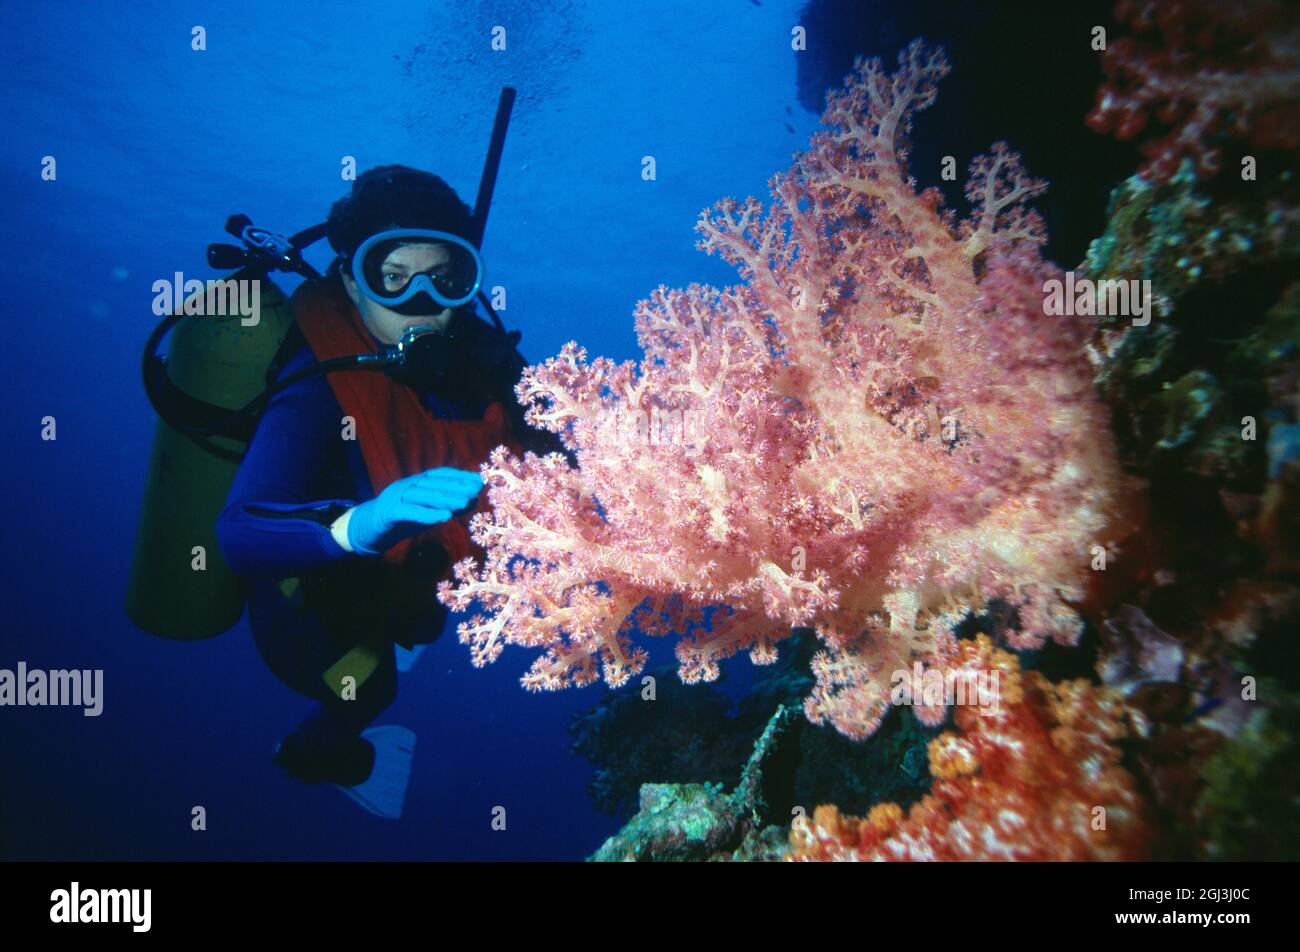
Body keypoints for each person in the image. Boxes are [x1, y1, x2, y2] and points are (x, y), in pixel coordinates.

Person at [216, 165, 556, 818]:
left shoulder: (488, 364)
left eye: (447, 275)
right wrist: (356, 525)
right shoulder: (318, 384)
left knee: (414, 627)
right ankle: (309, 756)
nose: (424, 299)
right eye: (392, 276)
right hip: (311, 605)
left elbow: (570, 453)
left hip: (423, 577)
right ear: (350, 280)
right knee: (369, 688)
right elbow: (238, 530)